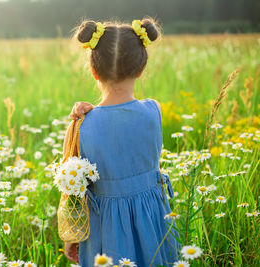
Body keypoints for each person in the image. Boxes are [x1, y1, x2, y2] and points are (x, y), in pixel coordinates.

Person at [62, 18, 180, 267]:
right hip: (152, 218)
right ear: (140, 69)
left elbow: (70, 185)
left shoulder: (80, 125)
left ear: (94, 71)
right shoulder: (154, 111)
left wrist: (72, 234)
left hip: (105, 228)